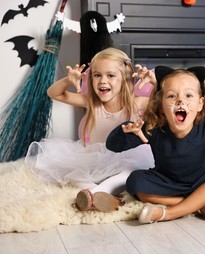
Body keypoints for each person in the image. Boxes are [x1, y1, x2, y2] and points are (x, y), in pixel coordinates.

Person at [106, 66, 205, 223]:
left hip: (200, 182)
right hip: (165, 183)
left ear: (200, 104)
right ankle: (200, 206)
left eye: (188, 95)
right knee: (135, 181)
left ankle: (169, 213)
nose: (180, 100)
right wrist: (127, 131)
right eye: (171, 96)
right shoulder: (153, 128)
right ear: (161, 105)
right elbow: (113, 145)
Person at [25, 47, 155, 212]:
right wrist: (68, 80)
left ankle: (97, 192)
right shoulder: (92, 102)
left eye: (111, 75)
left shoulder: (136, 103)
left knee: (130, 172)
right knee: (73, 174)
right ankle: (99, 194)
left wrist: (154, 83)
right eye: (97, 75)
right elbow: (53, 93)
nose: (102, 81)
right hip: (95, 159)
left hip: (127, 157)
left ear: (125, 79)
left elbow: (163, 102)